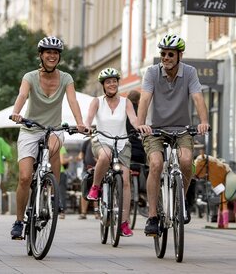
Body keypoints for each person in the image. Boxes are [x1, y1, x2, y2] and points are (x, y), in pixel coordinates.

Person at [8, 35, 88, 240]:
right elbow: (22, 95)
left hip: (53, 128)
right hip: (30, 128)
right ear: (41, 55)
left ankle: (53, 195)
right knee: (25, 177)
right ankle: (19, 221)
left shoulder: (66, 78)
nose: (52, 56)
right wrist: (17, 112)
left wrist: (80, 123)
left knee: (53, 149)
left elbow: (73, 101)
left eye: (55, 53)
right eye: (48, 52)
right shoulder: (30, 77)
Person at [137, 34, 209, 237]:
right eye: (163, 54)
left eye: (170, 54)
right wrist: (141, 123)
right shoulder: (151, 72)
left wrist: (203, 121)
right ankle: (152, 217)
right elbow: (144, 99)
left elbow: (197, 97)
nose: (166, 57)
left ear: (179, 55)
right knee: (156, 164)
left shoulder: (190, 72)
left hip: (182, 128)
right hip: (155, 130)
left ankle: (181, 200)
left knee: (186, 161)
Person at [84, 68, 139, 237]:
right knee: (105, 155)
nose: (112, 84)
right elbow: (89, 119)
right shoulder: (97, 101)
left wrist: (140, 128)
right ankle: (95, 186)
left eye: (114, 81)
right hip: (101, 140)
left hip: (122, 143)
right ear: (103, 85)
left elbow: (134, 119)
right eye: (108, 82)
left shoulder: (126, 102)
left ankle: (124, 222)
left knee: (125, 180)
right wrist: (86, 126)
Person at [78, 138, 99, 219]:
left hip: (98, 170)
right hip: (86, 170)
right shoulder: (86, 142)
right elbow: (81, 154)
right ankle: (83, 213)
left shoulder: (100, 141)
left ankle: (96, 212)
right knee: (84, 191)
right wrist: (80, 157)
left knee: (97, 189)